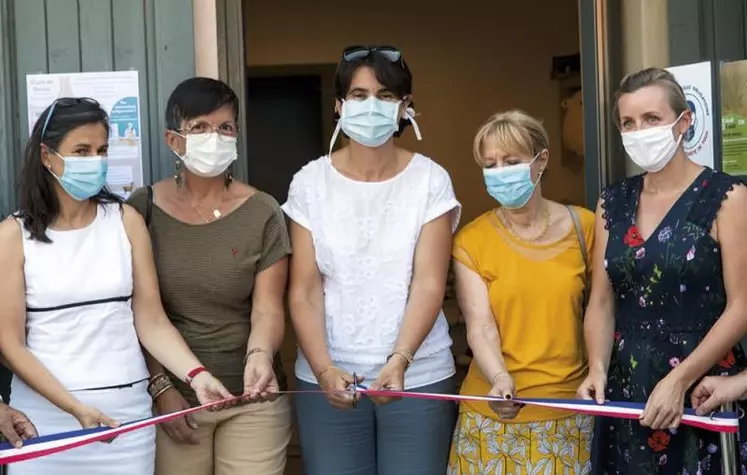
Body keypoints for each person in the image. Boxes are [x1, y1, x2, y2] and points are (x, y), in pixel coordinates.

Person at [0, 97, 233, 475]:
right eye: (81, 150)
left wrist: (197, 375)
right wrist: (74, 408)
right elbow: (11, 345)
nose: (94, 160)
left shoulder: (126, 221)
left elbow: (151, 321)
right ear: (46, 156)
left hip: (125, 420)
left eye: (102, 150)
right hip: (46, 421)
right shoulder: (13, 236)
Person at [283, 45, 461, 475]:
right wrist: (324, 369)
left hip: (418, 373)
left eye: (385, 95)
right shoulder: (309, 182)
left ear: (405, 107)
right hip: (327, 375)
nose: (371, 106)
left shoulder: (430, 180)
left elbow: (428, 284)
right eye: (359, 95)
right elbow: (304, 288)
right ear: (339, 106)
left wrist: (399, 360)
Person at [577, 67, 747, 474]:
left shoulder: (727, 197)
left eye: (651, 119)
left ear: (684, 121)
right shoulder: (612, 201)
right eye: (628, 123)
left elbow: (741, 305)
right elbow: (601, 301)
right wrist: (597, 367)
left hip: (701, 389)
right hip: (625, 392)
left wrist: (680, 380)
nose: (639, 131)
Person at [126, 77, 291, 475]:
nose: (213, 137)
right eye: (199, 127)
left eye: (224, 127)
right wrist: (161, 388)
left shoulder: (263, 211)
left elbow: (267, 309)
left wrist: (260, 356)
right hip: (174, 401)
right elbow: (139, 313)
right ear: (173, 140)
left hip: (253, 397)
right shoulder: (142, 209)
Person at [447, 110, 594, 474]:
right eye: (490, 163)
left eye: (511, 161)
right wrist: (499, 378)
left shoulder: (585, 228)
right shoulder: (471, 240)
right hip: (490, 415)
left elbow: (602, 309)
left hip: (567, 412)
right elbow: (480, 327)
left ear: (541, 160)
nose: (500, 171)